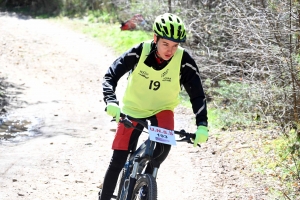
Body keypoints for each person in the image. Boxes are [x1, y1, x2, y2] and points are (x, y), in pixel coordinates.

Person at [99, 13, 208, 200]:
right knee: (118, 159)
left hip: (162, 110)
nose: (170, 50)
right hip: (134, 109)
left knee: (162, 149)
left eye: (175, 45)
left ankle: (145, 187)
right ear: (155, 38)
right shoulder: (140, 51)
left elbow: (197, 95)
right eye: (165, 44)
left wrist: (202, 125)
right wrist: (111, 101)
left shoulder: (184, 60)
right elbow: (110, 75)